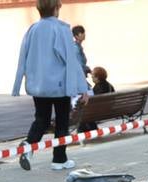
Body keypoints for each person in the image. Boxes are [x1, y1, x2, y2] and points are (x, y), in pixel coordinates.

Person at [12, 0, 90, 171]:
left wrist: (17, 85)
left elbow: (22, 57)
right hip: (59, 86)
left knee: (41, 119)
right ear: (56, 9)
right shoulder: (61, 29)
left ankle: (29, 144)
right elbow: (70, 60)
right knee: (62, 121)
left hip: (38, 86)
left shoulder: (32, 30)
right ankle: (59, 159)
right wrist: (83, 88)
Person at [77, 66, 113, 132]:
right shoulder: (109, 85)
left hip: (97, 113)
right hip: (109, 111)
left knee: (84, 112)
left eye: (93, 76)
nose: (91, 77)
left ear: (97, 77)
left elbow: (91, 101)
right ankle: (92, 129)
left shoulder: (98, 88)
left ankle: (83, 130)